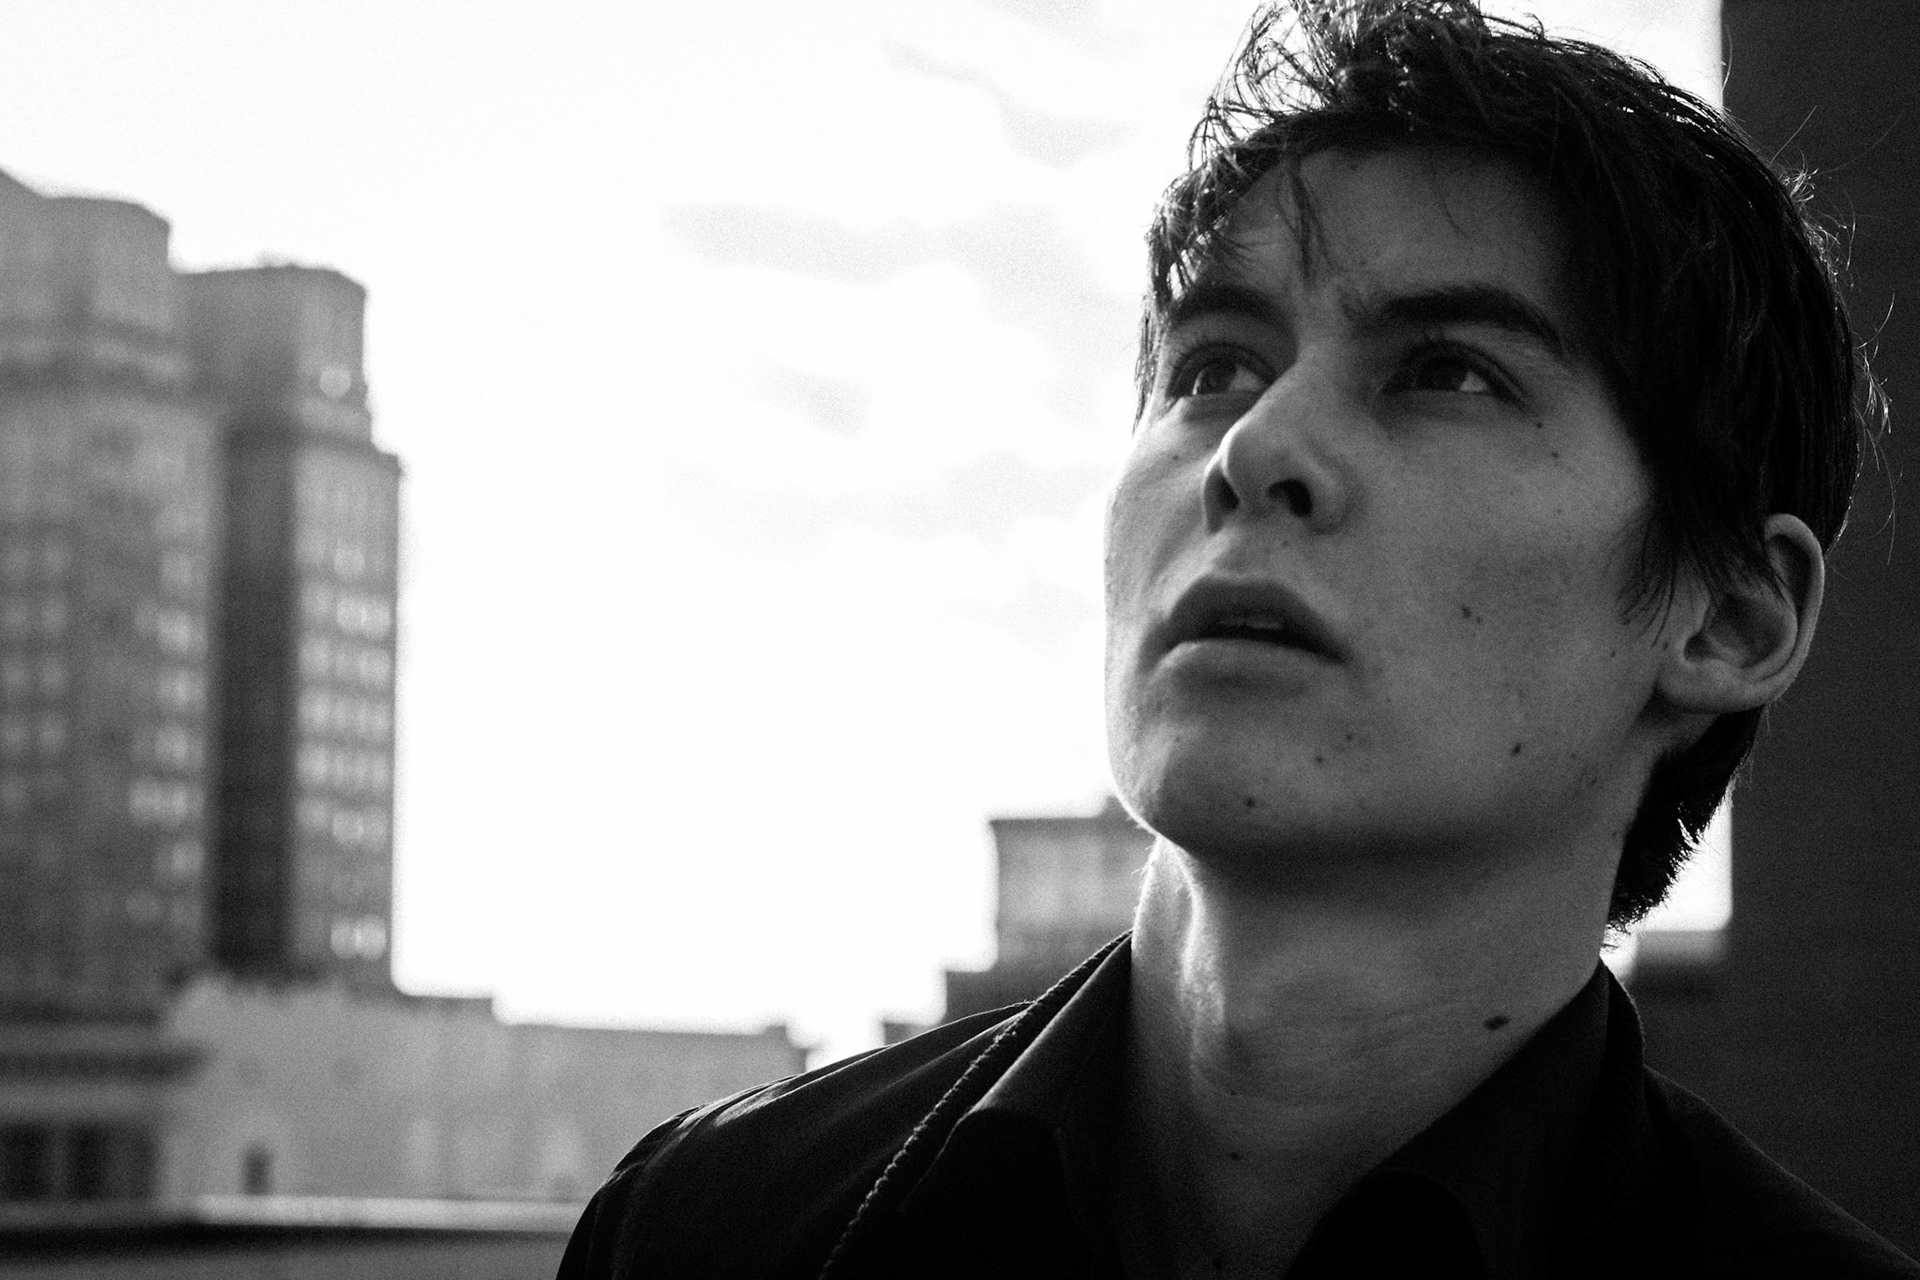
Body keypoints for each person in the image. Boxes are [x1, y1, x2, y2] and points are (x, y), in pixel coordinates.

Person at [560, 3, 1919, 1275]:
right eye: (1213, 367)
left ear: (1728, 618)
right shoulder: (703, 1231)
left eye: (1448, 372)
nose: (1256, 447)